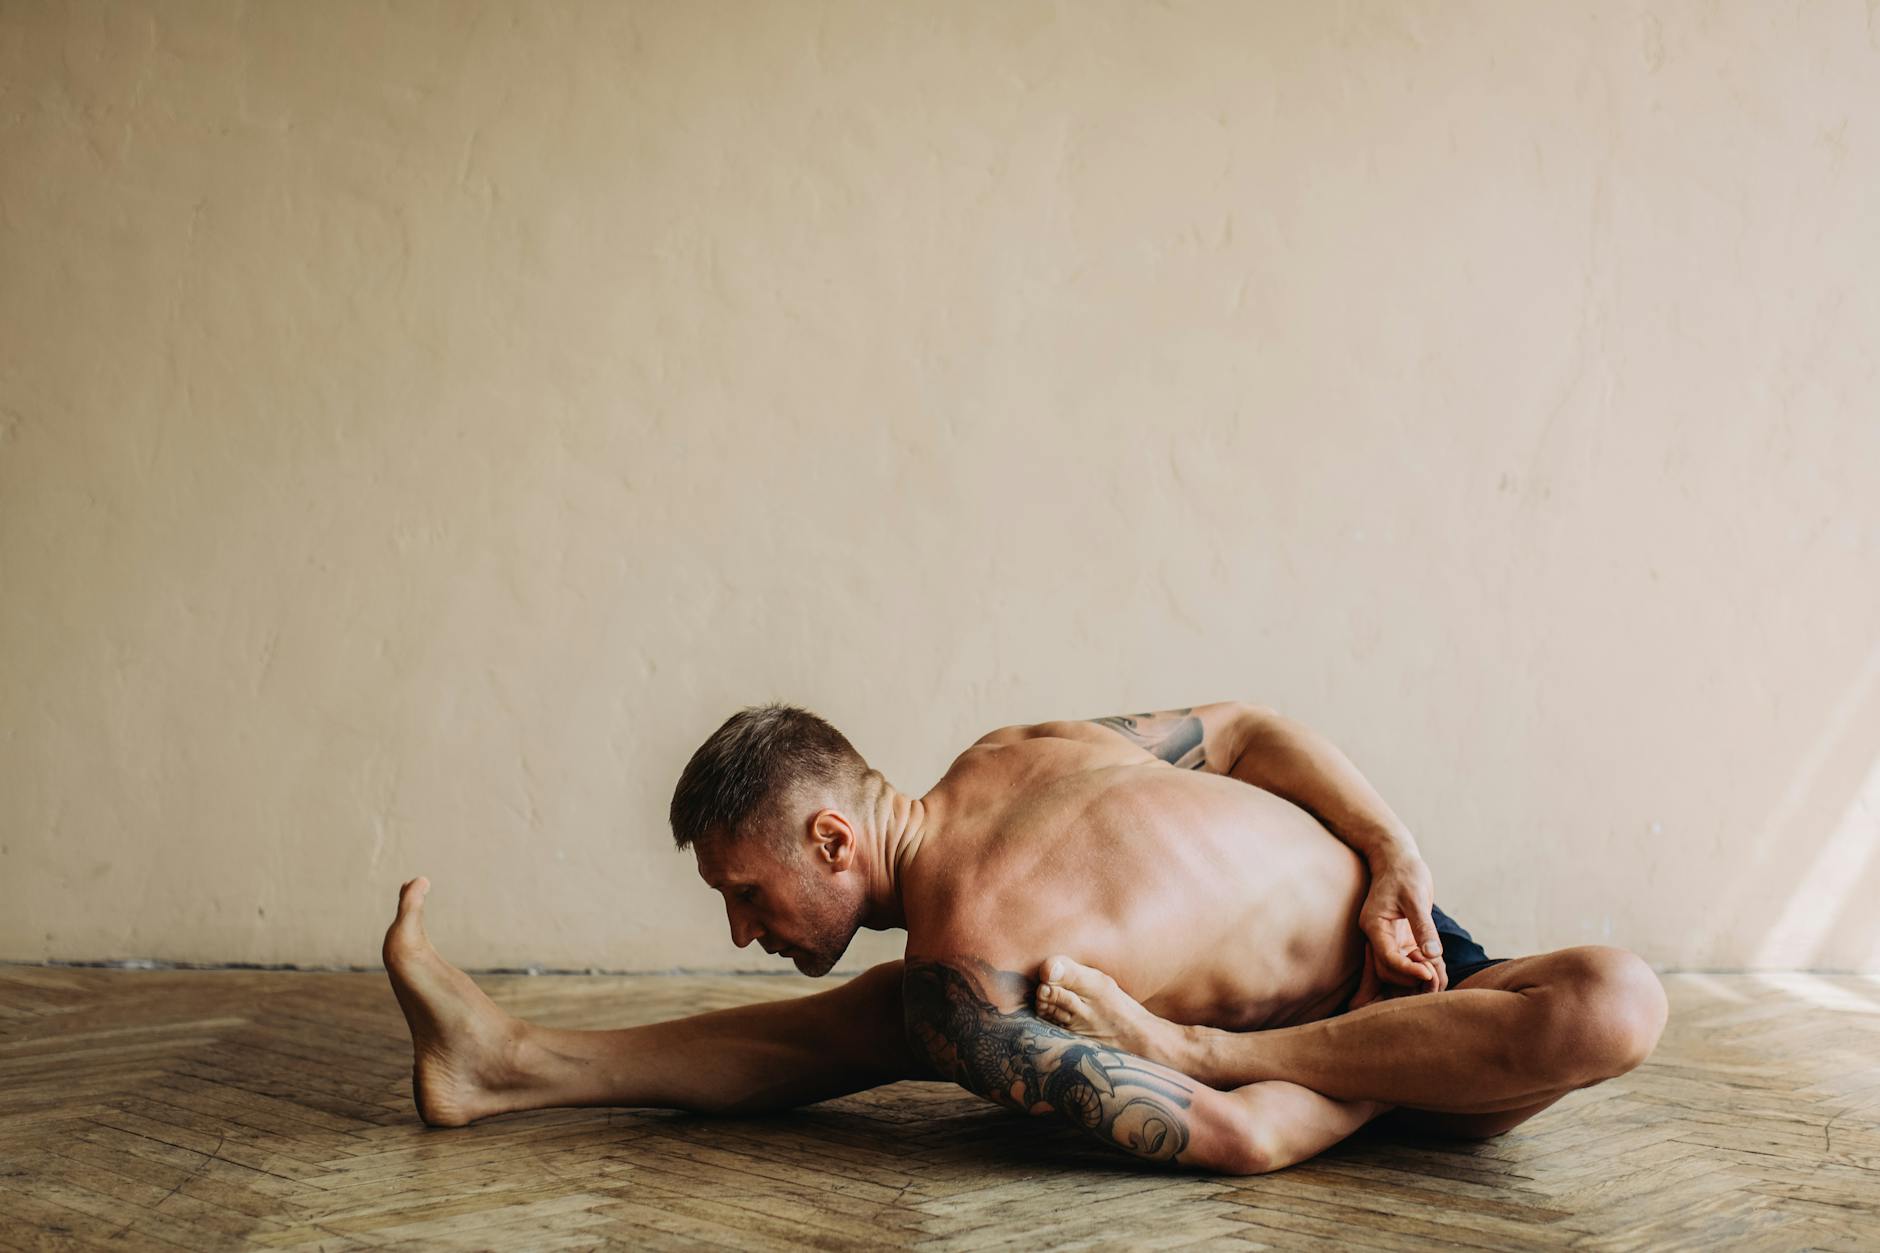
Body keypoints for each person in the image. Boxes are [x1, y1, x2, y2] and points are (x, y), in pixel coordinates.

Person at [384, 702, 1666, 1174]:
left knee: (1618, 998)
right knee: (1616, 1003)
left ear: (835, 838)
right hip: (1347, 1029)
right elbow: (1242, 1138)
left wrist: (1393, 855)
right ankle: (511, 1063)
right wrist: (1322, 1047)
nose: (738, 930)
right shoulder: (964, 972)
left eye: (750, 893)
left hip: (1417, 944)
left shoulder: (1015, 757)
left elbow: (1245, 729)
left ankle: (514, 1063)